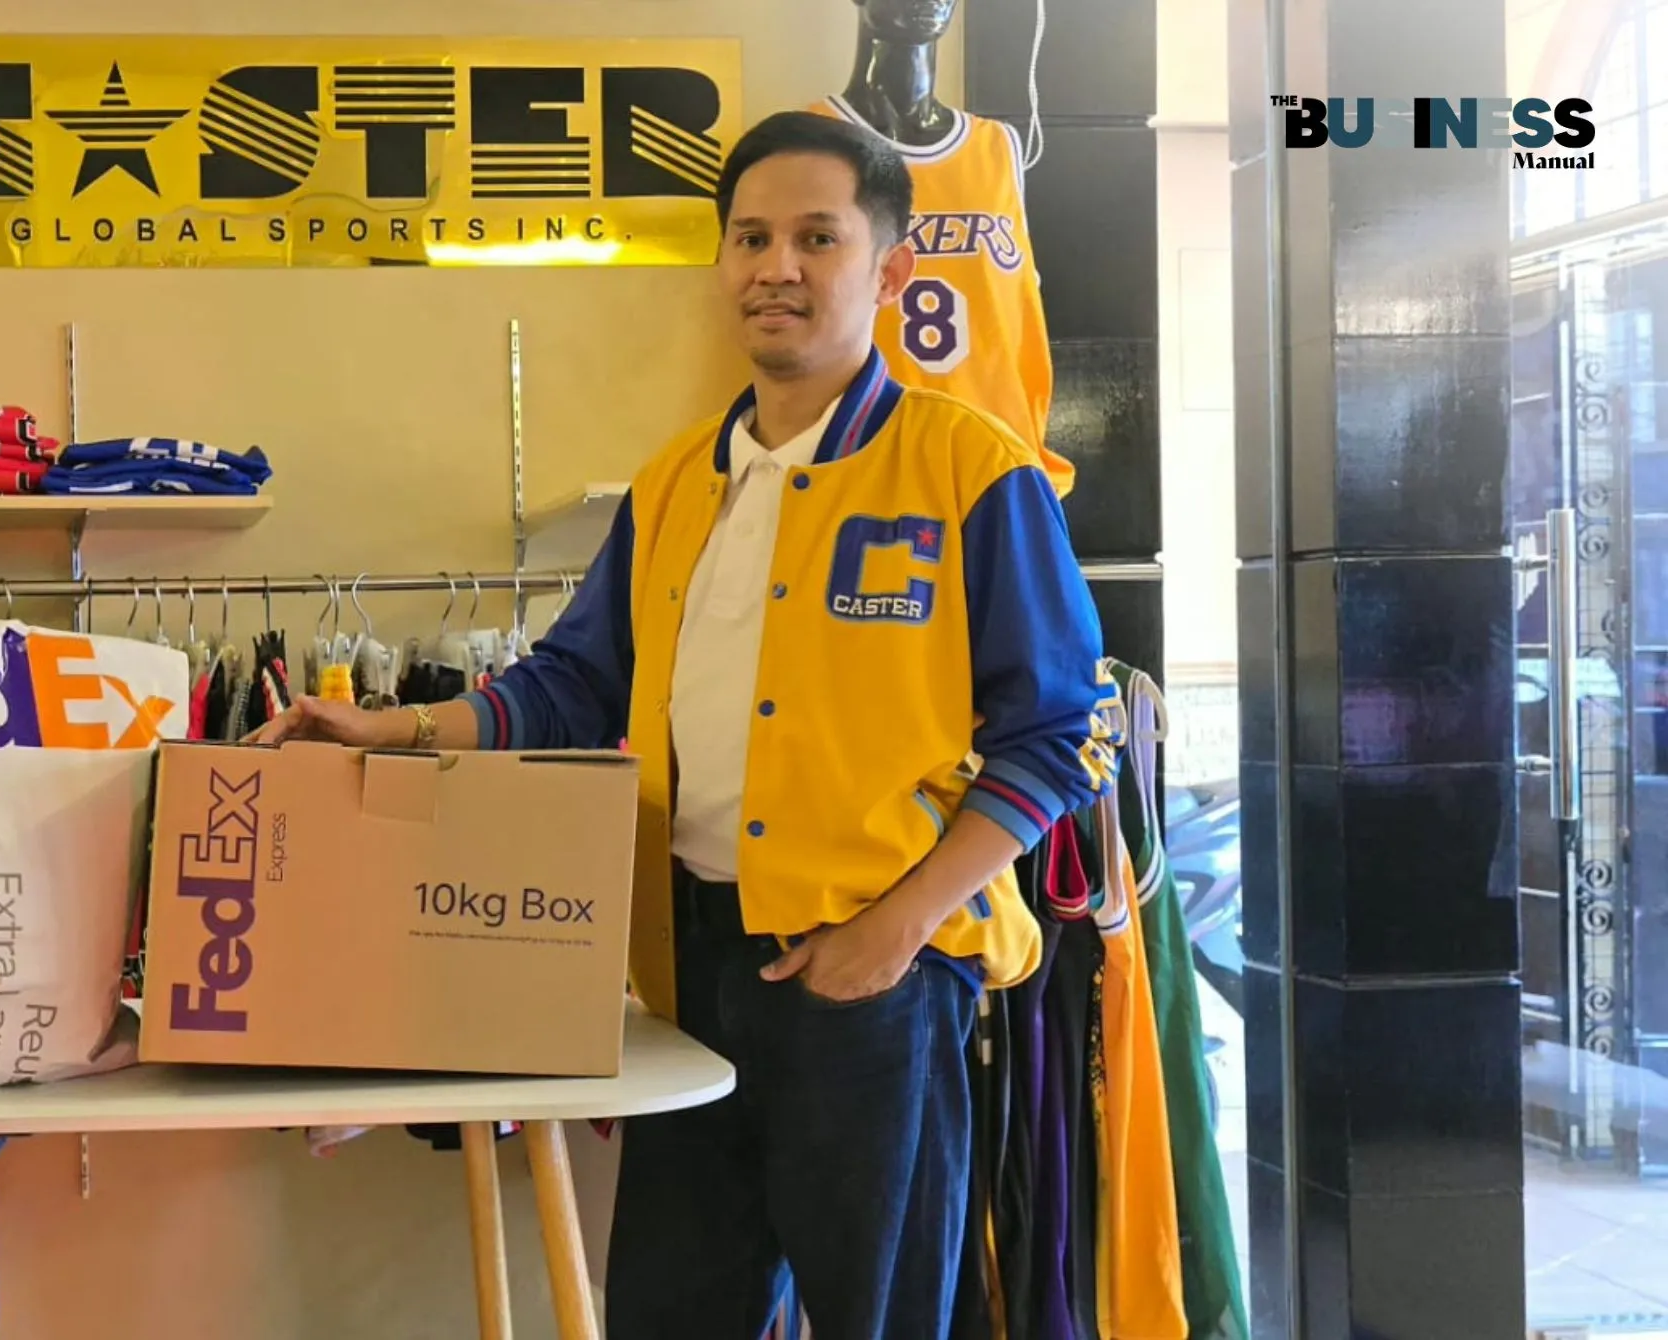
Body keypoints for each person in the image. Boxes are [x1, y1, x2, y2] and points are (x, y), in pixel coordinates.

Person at [250, 110, 1113, 1338]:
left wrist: (897, 927)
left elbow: (1062, 730)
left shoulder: (968, 469)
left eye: (816, 237)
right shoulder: (672, 484)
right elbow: (571, 685)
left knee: (879, 1318)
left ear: (890, 269)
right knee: (670, 1307)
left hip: (872, 977)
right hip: (686, 970)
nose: (777, 267)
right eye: (750, 238)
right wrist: (396, 731)